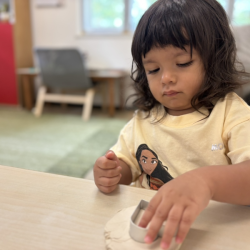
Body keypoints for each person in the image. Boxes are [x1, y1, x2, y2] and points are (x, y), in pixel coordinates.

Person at [93, 0, 250, 249]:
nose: (166, 78)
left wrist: (205, 182)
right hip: (150, 234)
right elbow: (126, 164)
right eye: (153, 69)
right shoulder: (144, 119)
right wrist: (112, 172)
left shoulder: (231, 113)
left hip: (211, 233)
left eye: (183, 63)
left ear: (215, 58)